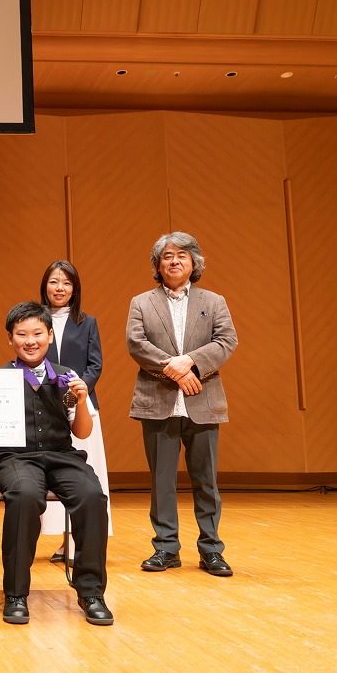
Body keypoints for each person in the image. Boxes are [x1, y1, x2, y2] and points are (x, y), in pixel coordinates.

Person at [0, 302, 112, 626]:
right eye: (22, 334)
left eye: (37, 334)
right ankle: (16, 593)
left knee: (92, 496)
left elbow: (81, 431)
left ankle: (91, 592)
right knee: (25, 496)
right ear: (10, 338)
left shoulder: (66, 378)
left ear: (49, 336)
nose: (30, 341)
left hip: (62, 456)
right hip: (16, 458)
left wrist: (81, 400)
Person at [127, 231, 238, 576]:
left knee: (206, 481)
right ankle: (166, 548)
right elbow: (136, 344)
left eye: (182, 255)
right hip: (157, 400)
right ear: (158, 265)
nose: (174, 261)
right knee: (162, 480)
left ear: (194, 263)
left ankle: (211, 549)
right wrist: (175, 371)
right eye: (167, 256)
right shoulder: (141, 302)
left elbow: (226, 340)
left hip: (203, 400)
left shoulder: (214, 301)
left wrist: (189, 362)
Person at [40, 260, 113, 563]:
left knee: (85, 473)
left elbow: (95, 365)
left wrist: (75, 396)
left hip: (82, 405)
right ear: (45, 286)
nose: (60, 288)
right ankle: (64, 539)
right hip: (46, 407)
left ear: (75, 288)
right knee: (58, 475)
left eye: (67, 283)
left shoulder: (87, 322)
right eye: (54, 282)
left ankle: (82, 541)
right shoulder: (35, 319)